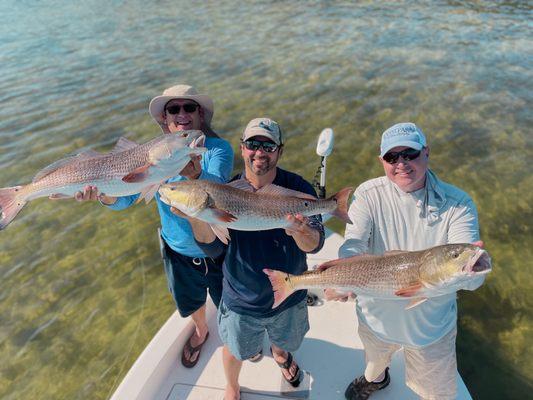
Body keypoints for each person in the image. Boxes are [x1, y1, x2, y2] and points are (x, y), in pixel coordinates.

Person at [72, 84, 234, 368]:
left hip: (218, 248)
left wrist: (194, 175)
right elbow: (125, 200)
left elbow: (218, 189)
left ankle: (234, 338)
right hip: (177, 249)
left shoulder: (217, 148)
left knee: (229, 303)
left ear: (201, 114)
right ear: (164, 118)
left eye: (189, 107)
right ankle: (201, 330)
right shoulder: (152, 155)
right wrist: (103, 193)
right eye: (174, 109)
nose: (181, 113)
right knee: (190, 301)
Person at [174, 118, 325, 400]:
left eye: (268, 145)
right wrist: (197, 216)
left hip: (290, 295)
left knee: (286, 341)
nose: (260, 152)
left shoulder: (298, 188)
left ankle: (279, 354)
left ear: (279, 150)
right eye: (253, 144)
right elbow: (213, 250)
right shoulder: (225, 189)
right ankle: (232, 385)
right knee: (235, 348)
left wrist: (300, 231)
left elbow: (315, 245)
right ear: (242, 149)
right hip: (241, 297)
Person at [332, 122, 485, 400]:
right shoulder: (368, 194)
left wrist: (472, 273)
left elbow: (473, 275)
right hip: (375, 318)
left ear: (426, 152)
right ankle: (376, 380)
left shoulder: (459, 203)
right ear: (382, 161)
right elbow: (352, 244)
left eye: (410, 154)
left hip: (430, 330)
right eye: (392, 157)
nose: (401, 163)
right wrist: (346, 275)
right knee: (374, 363)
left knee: (437, 394)